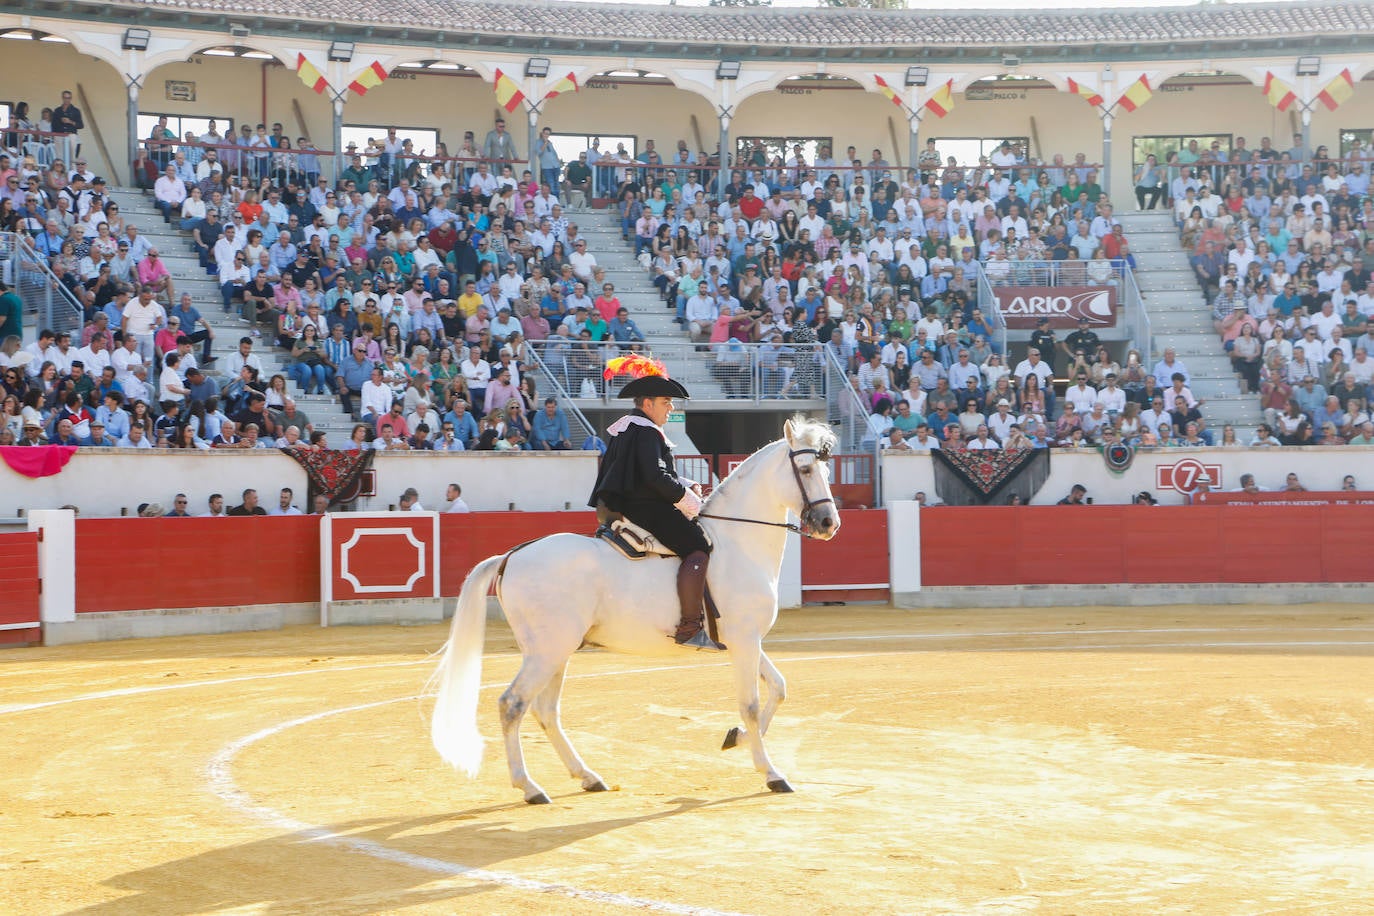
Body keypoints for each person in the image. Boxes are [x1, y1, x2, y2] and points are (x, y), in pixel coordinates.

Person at [587, 359, 722, 651]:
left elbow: (647, 474)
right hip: (646, 509)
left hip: (626, 505)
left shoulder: (628, 429)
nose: (670, 408)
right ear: (647, 403)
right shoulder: (646, 431)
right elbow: (654, 476)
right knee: (699, 546)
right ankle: (689, 625)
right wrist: (688, 500)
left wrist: (683, 485)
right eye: (665, 402)